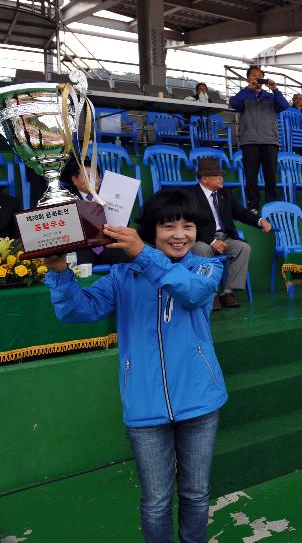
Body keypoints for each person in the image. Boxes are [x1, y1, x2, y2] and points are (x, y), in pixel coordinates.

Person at [42, 188, 227, 543]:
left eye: (188, 226)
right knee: (156, 502)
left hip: (201, 401)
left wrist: (143, 254)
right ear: (152, 229)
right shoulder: (123, 276)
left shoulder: (206, 266)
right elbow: (77, 310)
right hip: (145, 408)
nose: (179, 235)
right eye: (168, 226)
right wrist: (60, 271)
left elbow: (193, 294)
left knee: (196, 494)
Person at [186, 158, 271, 310]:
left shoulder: (225, 193)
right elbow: (191, 225)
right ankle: (210, 294)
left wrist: (260, 221)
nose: (221, 178)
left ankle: (228, 292)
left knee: (243, 248)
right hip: (201, 238)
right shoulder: (190, 195)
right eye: (216, 175)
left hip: (225, 237)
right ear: (204, 178)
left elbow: (241, 212)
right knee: (202, 250)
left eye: (221, 174)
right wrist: (212, 242)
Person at [228, 65, 288, 214]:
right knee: (251, 175)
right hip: (250, 140)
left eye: (259, 75)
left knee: (270, 175)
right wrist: (248, 88)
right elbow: (234, 103)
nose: (256, 77)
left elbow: (284, 105)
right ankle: (253, 206)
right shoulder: (244, 95)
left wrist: (275, 89)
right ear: (248, 78)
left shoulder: (271, 96)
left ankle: (271, 205)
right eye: (253, 75)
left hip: (270, 140)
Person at [61, 159, 130, 266]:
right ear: (75, 180)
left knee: (125, 256)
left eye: (95, 177)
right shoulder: (67, 199)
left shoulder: (109, 197)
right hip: (83, 247)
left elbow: (124, 222)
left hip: (107, 245)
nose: (92, 181)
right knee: (78, 261)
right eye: (87, 177)